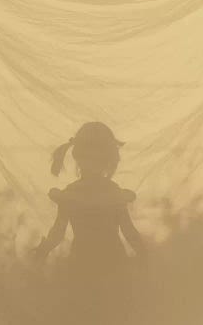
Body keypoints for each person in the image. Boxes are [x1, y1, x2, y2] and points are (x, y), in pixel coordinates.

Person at [32, 121, 146, 324]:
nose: (93, 164)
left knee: (102, 314)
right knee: (93, 314)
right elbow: (58, 231)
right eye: (89, 158)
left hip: (105, 267)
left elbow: (128, 229)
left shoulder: (108, 193)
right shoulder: (76, 194)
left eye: (98, 159)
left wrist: (144, 254)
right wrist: (43, 250)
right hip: (92, 266)